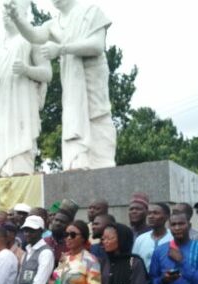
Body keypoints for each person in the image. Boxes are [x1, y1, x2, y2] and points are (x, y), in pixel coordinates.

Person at [6, 0, 116, 171]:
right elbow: (35, 35)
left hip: (93, 81)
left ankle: (101, 166)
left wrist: (62, 49)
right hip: (73, 90)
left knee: (98, 119)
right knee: (76, 123)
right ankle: (80, 161)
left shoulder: (90, 12)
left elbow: (97, 45)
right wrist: (18, 19)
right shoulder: (53, 24)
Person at [0, 0, 51, 177]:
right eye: (4, 10)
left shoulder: (31, 40)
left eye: (12, 10)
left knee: (22, 141)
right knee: (3, 139)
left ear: (22, 14)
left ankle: (22, 170)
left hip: (23, 102)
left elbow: (47, 73)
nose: (7, 13)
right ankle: (5, 171)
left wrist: (27, 70)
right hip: (3, 103)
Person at [45, 200, 78, 265]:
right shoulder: (45, 241)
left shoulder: (72, 245)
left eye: (62, 222)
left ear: (69, 225)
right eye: (56, 220)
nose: (58, 223)